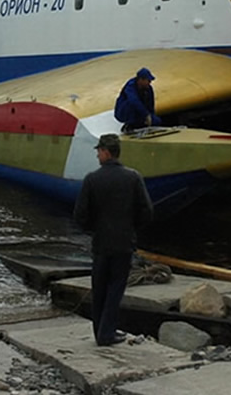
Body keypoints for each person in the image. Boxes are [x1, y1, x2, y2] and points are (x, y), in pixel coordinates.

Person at [73, 133, 154, 346]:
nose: (97, 155)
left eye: (99, 151)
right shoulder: (133, 177)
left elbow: (80, 215)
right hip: (124, 242)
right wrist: (131, 228)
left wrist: (93, 229)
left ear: (106, 152)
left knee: (99, 288)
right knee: (116, 288)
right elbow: (146, 211)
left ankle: (100, 330)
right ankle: (107, 332)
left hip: (101, 243)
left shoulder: (92, 179)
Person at [114, 67, 161, 132]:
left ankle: (141, 124)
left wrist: (151, 117)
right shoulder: (130, 86)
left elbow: (151, 104)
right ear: (140, 80)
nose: (150, 83)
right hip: (124, 111)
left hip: (140, 113)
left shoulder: (149, 89)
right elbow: (134, 101)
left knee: (157, 121)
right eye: (148, 81)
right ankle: (129, 125)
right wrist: (146, 115)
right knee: (131, 104)